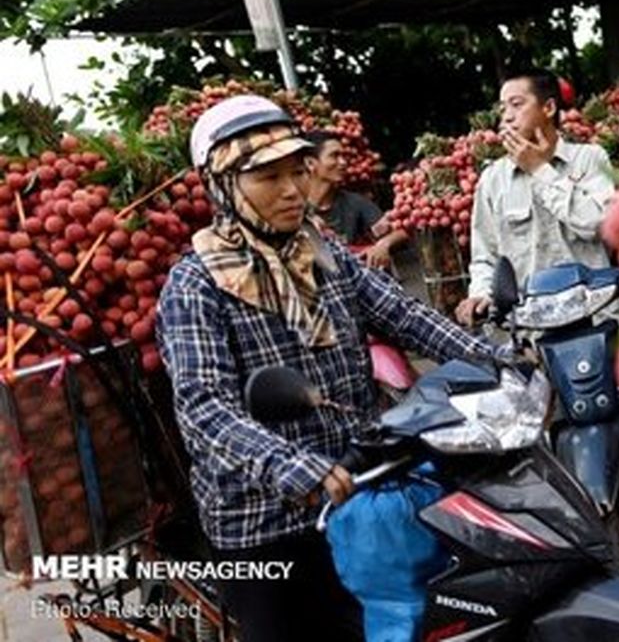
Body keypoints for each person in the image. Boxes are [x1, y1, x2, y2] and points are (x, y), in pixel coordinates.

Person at [156, 95, 494, 642]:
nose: (292, 190)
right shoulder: (195, 285)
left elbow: (404, 315)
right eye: (268, 177)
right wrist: (290, 465)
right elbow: (203, 407)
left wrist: (500, 359)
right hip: (264, 523)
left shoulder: (324, 252)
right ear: (223, 186)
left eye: (297, 171)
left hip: (356, 496)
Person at [455, 68, 615, 326]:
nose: (506, 117)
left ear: (549, 107)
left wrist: (540, 170)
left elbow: (597, 224)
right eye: (502, 108)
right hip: (534, 330)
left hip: (598, 318)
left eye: (516, 104)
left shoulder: (590, 159)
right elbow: (485, 256)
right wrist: (480, 294)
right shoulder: (493, 180)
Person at [305, 130, 406, 268]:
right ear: (310, 163)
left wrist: (383, 245)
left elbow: (399, 230)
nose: (343, 162)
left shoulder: (354, 202)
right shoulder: (294, 207)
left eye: (343, 156)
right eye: (334, 156)